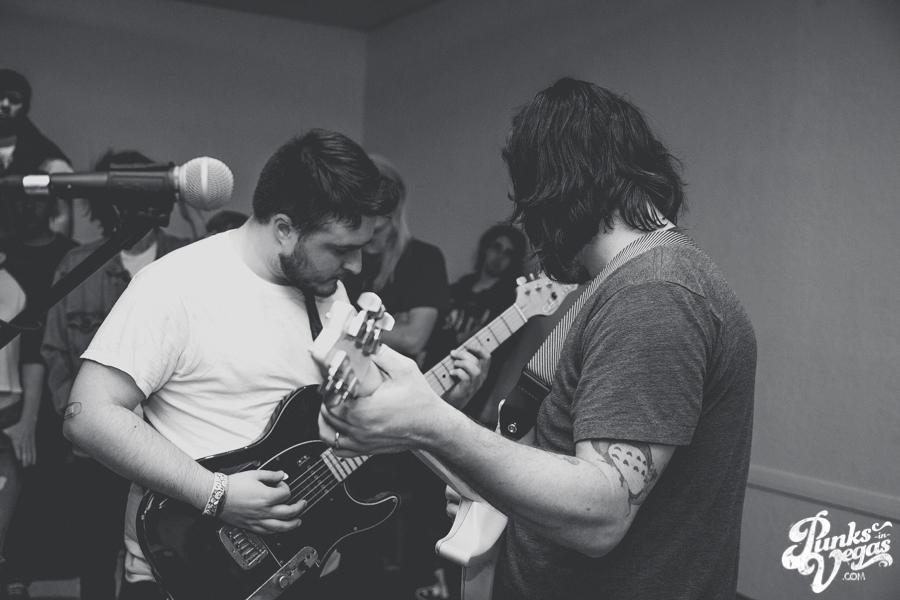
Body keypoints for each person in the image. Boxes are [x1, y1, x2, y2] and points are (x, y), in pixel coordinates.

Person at [319, 78, 757, 600]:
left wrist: (433, 422)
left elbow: (603, 512)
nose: (527, 225)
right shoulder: (618, 283)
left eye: (527, 198)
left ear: (557, 187)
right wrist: (482, 476)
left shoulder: (655, 290)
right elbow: (554, 456)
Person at [61, 129, 483, 600]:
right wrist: (215, 493)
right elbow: (88, 415)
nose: (357, 266)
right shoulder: (175, 284)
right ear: (284, 228)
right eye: (342, 249)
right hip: (190, 569)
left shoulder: (329, 293)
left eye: (363, 247)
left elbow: (353, 427)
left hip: (306, 566)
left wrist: (437, 406)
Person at [31, 150, 190, 600]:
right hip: (97, 452)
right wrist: (84, 418)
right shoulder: (77, 265)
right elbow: (54, 351)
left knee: (163, 566)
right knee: (96, 558)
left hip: (170, 448)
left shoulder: (187, 260)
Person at [0, 180, 77, 598]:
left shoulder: (54, 260)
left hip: (29, 399)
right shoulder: (12, 260)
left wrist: (30, 417)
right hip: (17, 395)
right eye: (18, 204)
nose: (26, 211)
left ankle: (22, 574)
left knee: (32, 493)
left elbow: (38, 347)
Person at [424, 224, 528, 425]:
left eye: (508, 253)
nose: (500, 256)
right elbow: (429, 335)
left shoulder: (510, 304)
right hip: (428, 376)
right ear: (485, 248)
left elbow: (498, 353)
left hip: (466, 395)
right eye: (496, 247)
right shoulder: (457, 289)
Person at [0, 69, 74, 239]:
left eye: (14, 99)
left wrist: (52, 253)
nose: (5, 104)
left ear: (24, 106)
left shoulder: (48, 158)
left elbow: (61, 217)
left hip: (26, 249)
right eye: (0, 96)